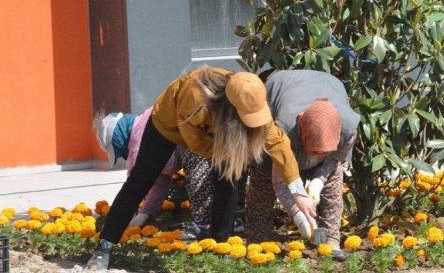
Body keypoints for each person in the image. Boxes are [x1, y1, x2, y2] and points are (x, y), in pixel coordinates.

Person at [87, 66, 313, 270]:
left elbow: (278, 143)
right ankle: (104, 247)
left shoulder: (251, 97)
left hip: (217, 131)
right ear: (232, 109)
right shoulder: (196, 99)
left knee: (229, 178)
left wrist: (298, 192)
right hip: (168, 123)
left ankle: (219, 248)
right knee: (140, 180)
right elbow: (194, 143)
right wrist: (227, 152)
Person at [245, 70, 360, 261]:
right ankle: (258, 238)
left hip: (328, 84)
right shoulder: (283, 130)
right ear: (301, 133)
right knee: (263, 176)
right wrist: (297, 214)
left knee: (333, 183)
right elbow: (279, 181)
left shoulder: (348, 130)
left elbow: (334, 160)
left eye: (323, 153)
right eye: (314, 152)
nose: (317, 158)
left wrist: (319, 180)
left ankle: (331, 241)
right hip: (279, 92)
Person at [94, 108, 215, 236]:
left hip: (197, 141)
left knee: (197, 179)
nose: (122, 156)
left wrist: (121, 221)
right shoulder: (144, 124)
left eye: (118, 151)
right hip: (206, 137)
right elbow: (160, 182)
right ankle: (221, 221)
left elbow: (133, 189)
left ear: (119, 140)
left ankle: (204, 226)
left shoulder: (138, 145)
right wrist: (145, 212)